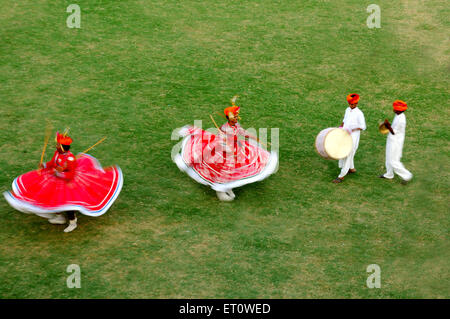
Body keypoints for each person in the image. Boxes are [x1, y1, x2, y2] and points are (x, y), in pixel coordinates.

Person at [4, 131, 123, 232]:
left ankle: (72, 222)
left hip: (67, 181)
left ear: (62, 147)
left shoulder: (70, 159)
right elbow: (52, 163)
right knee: (52, 198)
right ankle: (59, 217)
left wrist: (59, 172)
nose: (55, 146)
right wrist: (45, 165)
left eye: (57, 145)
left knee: (66, 202)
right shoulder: (58, 153)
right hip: (56, 177)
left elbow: (70, 175)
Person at [173, 97, 278, 201]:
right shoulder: (225, 128)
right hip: (223, 149)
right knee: (222, 167)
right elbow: (221, 138)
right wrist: (226, 145)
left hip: (235, 148)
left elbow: (241, 132)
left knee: (243, 161)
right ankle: (220, 188)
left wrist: (253, 137)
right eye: (234, 117)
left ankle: (226, 186)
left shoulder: (235, 125)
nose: (236, 118)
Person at [333, 93, 366, 183]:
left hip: (353, 137)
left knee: (349, 153)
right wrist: (339, 129)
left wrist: (352, 129)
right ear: (348, 104)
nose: (353, 105)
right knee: (343, 151)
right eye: (351, 104)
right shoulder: (347, 110)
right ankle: (351, 168)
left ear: (357, 104)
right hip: (345, 135)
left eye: (354, 104)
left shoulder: (359, 113)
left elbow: (363, 127)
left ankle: (341, 175)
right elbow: (344, 121)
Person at [379, 100, 413, 183]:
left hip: (396, 142)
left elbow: (393, 132)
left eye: (395, 109)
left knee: (393, 160)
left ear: (399, 110)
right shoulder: (398, 115)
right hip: (391, 139)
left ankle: (407, 176)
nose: (393, 110)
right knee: (388, 157)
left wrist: (387, 125)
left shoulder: (401, 119)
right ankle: (389, 174)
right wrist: (388, 125)